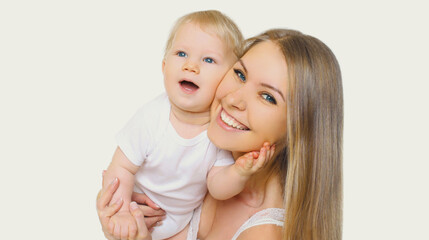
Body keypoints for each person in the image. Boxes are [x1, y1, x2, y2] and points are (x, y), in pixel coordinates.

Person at [97, 28, 343, 240]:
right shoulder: (208, 155)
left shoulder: (262, 233)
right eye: (240, 74)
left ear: (297, 131)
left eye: (267, 97)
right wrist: (123, 224)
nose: (234, 98)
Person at [101, 10, 275, 240]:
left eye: (208, 59)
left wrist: (238, 172)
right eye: (181, 53)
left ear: (226, 79)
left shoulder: (218, 133)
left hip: (181, 226)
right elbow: (120, 169)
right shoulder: (152, 118)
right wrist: (122, 213)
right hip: (136, 210)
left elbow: (217, 186)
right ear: (164, 67)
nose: (191, 66)